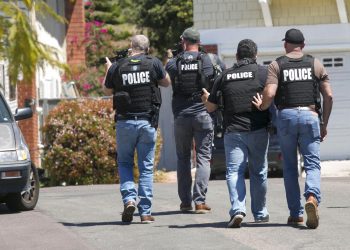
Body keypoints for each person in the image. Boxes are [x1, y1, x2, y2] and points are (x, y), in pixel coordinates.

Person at [252, 28, 333, 229]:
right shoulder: (315, 64)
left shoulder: (276, 65)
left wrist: (261, 106)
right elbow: (329, 96)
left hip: (286, 116)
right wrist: (324, 123)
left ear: (285, 44)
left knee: (289, 167)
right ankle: (312, 197)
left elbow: (270, 93)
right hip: (310, 115)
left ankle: (296, 214)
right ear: (303, 45)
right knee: (312, 163)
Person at [201, 39, 270, 228]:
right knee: (259, 172)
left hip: (233, 131)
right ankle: (260, 213)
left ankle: (238, 209)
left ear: (237, 55)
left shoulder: (224, 76)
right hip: (258, 129)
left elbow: (211, 107)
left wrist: (206, 98)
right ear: (255, 55)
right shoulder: (263, 73)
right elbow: (273, 96)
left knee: (234, 172)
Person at [104, 34, 171, 224]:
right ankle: (145, 212)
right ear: (147, 49)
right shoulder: (153, 63)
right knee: (146, 168)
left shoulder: (117, 66)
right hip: (147, 122)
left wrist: (108, 70)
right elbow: (167, 82)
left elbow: (107, 91)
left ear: (130, 46)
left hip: (124, 122)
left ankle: (129, 199)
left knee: (125, 163)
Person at [165, 27, 214, 213]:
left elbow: (166, 74)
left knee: (183, 158)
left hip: (181, 116)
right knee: (203, 157)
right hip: (202, 113)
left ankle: (185, 202)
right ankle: (200, 201)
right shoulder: (205, 59)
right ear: (198, 42)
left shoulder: (174, 61)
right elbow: (211, 79)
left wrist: (174, 55)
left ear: (184, 41)